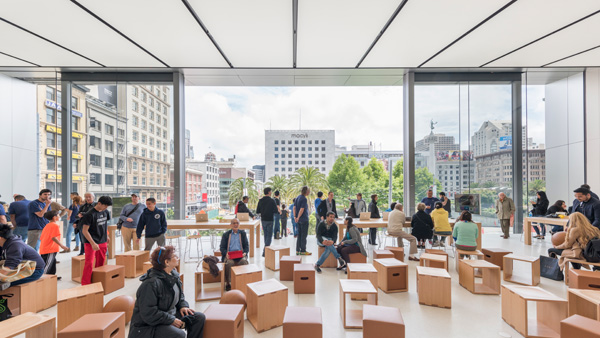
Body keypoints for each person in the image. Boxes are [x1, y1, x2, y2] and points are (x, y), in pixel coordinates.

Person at [129, 246, 205, 338]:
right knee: (178, 335)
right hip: (147, 326)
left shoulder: (173, 275)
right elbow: (149, 313)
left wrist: (183, 306)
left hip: (167, 315)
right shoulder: (150, 284)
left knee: (199, 318)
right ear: (166, 262)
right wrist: (171, 320)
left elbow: (180, 295)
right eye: (175, 256)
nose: (178, 258)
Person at [0, 223, 45, 290]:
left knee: (3, 282)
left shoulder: (15, 245)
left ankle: (7, 285)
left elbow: (9, 266)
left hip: (34, 270)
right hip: (19, 266)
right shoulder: (5, 242)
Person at [80, 196, 112, 285]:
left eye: (107, 206)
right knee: (89, 263)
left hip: (103, 240)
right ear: (99, 203)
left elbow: (104, 225)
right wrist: (93, 243)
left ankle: (99, 281)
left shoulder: (106, 212)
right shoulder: (89, 214)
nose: (106, 208)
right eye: (105, 206)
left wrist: (107, 235)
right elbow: (84, 231)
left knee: (101, 262)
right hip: (91, 243)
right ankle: (85, 283)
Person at [219, 218, 249, 291]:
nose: (235, 224)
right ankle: (229, 283)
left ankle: (242, 281)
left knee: (244, 262)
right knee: (229, 263)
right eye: (234, 223)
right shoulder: (226, 234)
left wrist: (245, 252)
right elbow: (222, 247)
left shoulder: (242, 233)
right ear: (231, 225)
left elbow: (246, 246)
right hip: (230, 255)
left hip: (240, 254)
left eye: (237, 223)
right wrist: (226, 254)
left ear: (239, 224)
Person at [40, 210, 70, 278]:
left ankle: (52, 277)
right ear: (54, 217)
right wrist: (62, 245)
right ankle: (42, 278)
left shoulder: (47, 225)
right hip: (49, 249)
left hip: (47, 248)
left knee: (52, 263)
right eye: (58, 215)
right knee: (47, 265)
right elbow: (53, 237)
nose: (59, 216)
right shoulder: (54, 225)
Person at [256, 187, 277, 257]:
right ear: (268, 192)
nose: (271, 193)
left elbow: (257, 211)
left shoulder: (260, 200)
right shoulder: (272, 200)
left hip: (263, 219)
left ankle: (266, 249)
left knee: (265, 235)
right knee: (269, 235)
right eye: (270, 191)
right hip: (270, 219)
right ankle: (265, 250)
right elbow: (276, 210)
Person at [294, 186, 311, 255]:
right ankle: (303, 250)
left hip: (299, 220)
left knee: (299, 235)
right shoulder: (304, 199)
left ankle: (298, 250)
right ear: (306, 191)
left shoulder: (297, 197)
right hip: (304, 219)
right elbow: (302, 209)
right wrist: (298, 217)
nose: (309, 192)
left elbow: (294, 208)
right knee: (304, 236)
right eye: (308, 191)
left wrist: (295, 217)